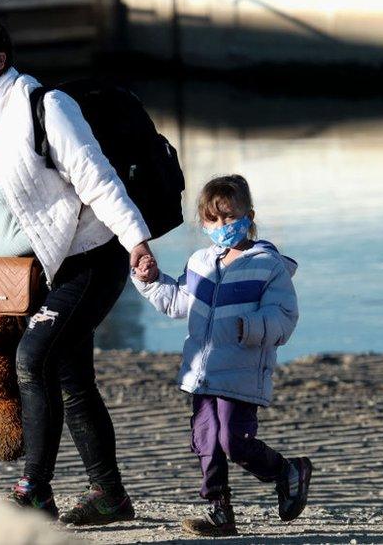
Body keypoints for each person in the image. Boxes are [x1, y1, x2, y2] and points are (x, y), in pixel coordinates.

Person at [0, 14, 155, 525]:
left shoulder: (46, 106)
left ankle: (33, 489)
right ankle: (110, 496)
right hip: (26, 275)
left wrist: (136, 241)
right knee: (72, 375)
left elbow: (96, 178)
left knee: (33, 358)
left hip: (87, 258)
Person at [132, 174, 312, 537]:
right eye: (212, 219)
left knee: (233, 441)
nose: (221, 226)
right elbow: (178, 302)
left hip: (241, 372)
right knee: (205, 442)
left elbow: (285, 317)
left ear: (249, 216)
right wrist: (150, 279)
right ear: (202, 222)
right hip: (202, 372)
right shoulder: (199, 262)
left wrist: (254, 326)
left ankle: (287, 471)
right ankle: (219, 511)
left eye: (229, 217)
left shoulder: (267, 266)